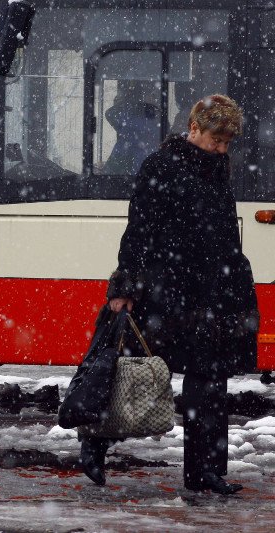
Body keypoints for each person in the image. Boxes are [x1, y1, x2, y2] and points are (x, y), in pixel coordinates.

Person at [83, 95, 258, 494]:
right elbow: (139, 229)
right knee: (125, 372)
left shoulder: (217, 170)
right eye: (217, 139)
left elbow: (222, 232)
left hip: (213, 291)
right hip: (166, 289)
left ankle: (206, 472)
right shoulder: (161, 166)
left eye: (228, 142)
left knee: (210, 382)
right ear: (194, 129)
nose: (222, 148)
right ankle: (93, 440)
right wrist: (125, 285)